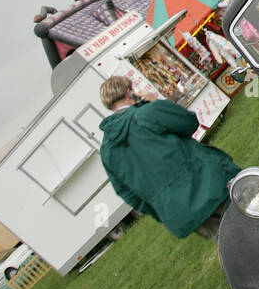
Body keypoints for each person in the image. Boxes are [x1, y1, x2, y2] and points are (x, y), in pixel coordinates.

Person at [98, 76, 239, 241]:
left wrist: (161, 208)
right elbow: (189, 121)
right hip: (211, 184)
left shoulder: (106, 152)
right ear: (130, 93)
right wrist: (155, 103)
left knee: (233, 245)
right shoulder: (146, 113)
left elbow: (128, 194)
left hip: (180, 211)